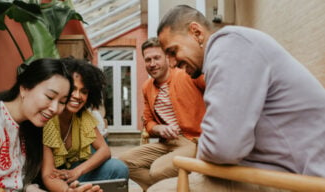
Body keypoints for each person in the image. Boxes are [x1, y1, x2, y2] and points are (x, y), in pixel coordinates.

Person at [149, 4, 325, 191]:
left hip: (302, 180)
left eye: (173, 51)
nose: (173, 63)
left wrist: (207, 149)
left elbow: (222, 148)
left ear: (196, 32)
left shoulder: (230, 46)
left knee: (160, 190)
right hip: (277, 170)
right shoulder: (231, 49)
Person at [0, 58, 101, 192]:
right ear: (24, 87)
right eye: (49, 96)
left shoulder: (27, 125)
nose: (55, 109)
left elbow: (17, 184)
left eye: (62, 102)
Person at [118, 37, 205, 190]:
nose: (152, 64)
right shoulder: (147, 87)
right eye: (148, 59)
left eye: (157, 58)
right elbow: (148, 121)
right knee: (123, 163)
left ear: (167, 58)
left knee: (158, 171)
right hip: (166, 142)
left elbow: (216, 87)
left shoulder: (186, 74)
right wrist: (158, 128)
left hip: (193, 140)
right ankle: (167, 189)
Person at [40, 58, 129, 191]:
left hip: (74, 175)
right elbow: (47, 175)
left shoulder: (82, 116)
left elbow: (104, 151)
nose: (77, 96)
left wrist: (77, 171)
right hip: (52, 181)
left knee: (118, 168)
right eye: (73, 89)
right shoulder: (49, 117)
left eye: (84, 91)